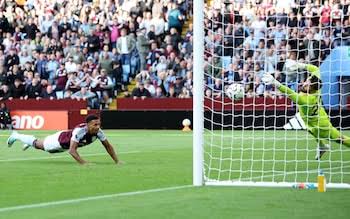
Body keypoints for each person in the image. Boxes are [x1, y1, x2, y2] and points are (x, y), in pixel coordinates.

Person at [262, 61, 350, 160]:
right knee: (309, 129)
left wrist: (275, 83)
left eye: (308, 85)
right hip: (315, 117)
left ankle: (323, 146)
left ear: (312, 90)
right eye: (307, 81)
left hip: (322, 126)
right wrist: (299, 65)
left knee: (341, 139)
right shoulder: (315, 86)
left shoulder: (306, 100)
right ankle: (322, 146)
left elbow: (290, 93)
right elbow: (315, 69)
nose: (304, 84)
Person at [7, 115, 122, 165]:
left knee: (38, 144)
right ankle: (15, 135)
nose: (98, 127)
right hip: (58, 141)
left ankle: (29, 142)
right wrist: (84, 163)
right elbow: (72, 151)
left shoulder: (99, 132)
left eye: (99, 124)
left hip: (64, 144)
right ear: (87, 125)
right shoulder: (80, 131)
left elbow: (108, 146)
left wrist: (117, 161)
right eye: (95, 124)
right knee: (38, 145)